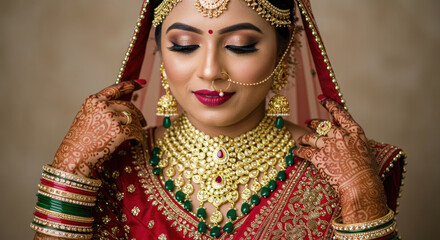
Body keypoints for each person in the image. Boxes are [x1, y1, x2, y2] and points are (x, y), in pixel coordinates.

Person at [30, 0, 406, 239]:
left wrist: (360, 197)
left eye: (240, 46)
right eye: (184, 45)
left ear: (282, 50)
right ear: (160, 49)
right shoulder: (114, 167)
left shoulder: (344, 170)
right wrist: (71, 168)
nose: (210, 70)